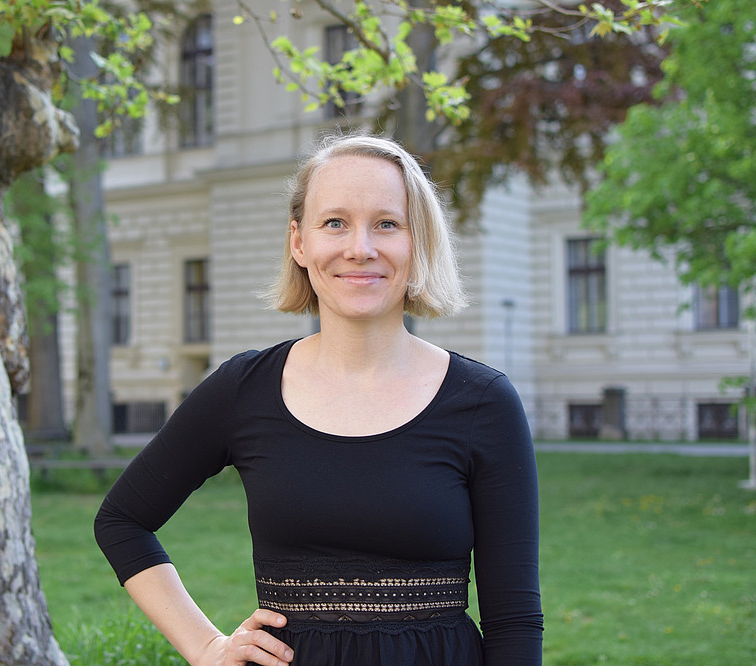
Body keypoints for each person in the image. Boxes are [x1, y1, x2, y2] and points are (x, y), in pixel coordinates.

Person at [94, 132, 543, 665]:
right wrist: (206, 646)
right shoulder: (245, 389)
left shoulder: (482, 403)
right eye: (335, 223)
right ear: (299, 242)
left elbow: (513, 619)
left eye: (387, 224)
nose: (360, 247)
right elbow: (122, 520)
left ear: (417, 242)